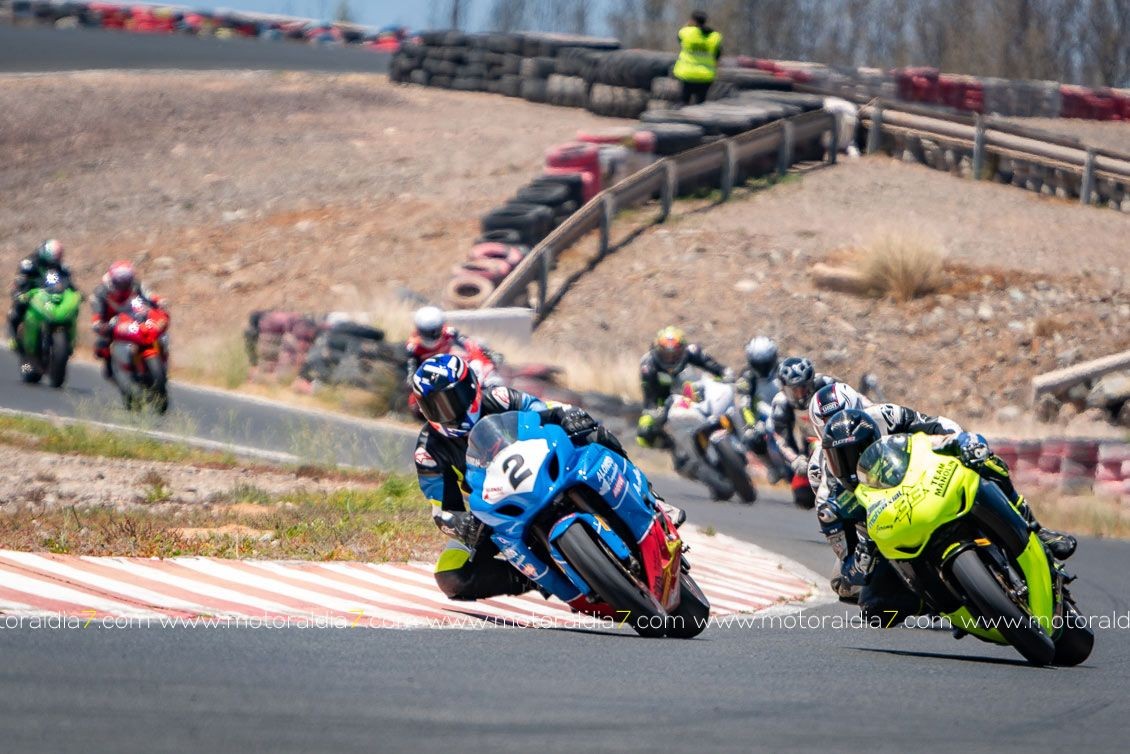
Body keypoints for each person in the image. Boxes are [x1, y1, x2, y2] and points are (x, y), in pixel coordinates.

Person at [412, 354, 678, 602]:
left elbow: (541, 409)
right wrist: (461, 525)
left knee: (592, 431)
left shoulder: (499, 398)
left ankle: (651, 497)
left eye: (452, 399)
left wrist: (566, 416)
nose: (446, 412)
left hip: (545, 465)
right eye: (434, 406)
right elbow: (442, 509)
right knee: (450, 574)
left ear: (471, 388)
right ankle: (536, 577)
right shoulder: (429, 451)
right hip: (498, 510)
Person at [817, 409, 1077, 621]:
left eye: (857, 452)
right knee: (876, 610)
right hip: (892, 545)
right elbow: (848, 572)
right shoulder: (832, 505)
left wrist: (961, 442)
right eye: (840, 458)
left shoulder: (892, 432)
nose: (851, 464)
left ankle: (1035, 528)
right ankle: (936, 603)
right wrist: (862, 556)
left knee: (985, 462)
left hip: (926, 495)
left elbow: (933, 431)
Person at [767, 356, 837, 507]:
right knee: (803, 498)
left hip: (839, 437)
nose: (800, 395)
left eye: (803, 388)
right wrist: (796, 460)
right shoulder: (780, 404)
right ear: (784, 389)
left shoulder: (827, 385)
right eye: (794, 390)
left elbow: (856, 399)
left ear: (811, 383)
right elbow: (781, 439)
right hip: (810, 447)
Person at [90, 260, 161, 379]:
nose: (124, 285)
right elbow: (96, 308)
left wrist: (158, 301)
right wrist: (98, 322)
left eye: (127, 281)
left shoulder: (136, 285)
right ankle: (110, 364)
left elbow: (148, 295)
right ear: (113, 279)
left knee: (153, 329)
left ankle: (153, 359)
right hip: (110, 321)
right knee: (101, 346)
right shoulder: (102, 290)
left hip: (133, 317)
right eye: (121, 282)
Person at [8, 240, 74, 354]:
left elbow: (69, 283)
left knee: (69, 311)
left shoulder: (61, 267)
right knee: (18, 307)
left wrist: (75, 292)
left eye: (59, 256)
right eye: (56, 256)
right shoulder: (29, 264)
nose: (57, 259)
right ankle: (13, 337)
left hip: (51, 295)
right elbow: (21, 280)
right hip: (31, 293)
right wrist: (21, 292)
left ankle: (69, 342)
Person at [733, 336, 785, 476]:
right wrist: (751, 426)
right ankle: (771, 466)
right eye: (758, 364)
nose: (762, 368)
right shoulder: (746, 377)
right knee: (751, 438)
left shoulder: (784, 368)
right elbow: (744, 405)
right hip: (763, 416)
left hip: (788, 409)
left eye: (765, 363)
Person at [404, 305, 501, 378]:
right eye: (428, 332)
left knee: (480, 342)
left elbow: (469, 344)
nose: (434, 335)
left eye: (437, 330)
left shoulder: (449, 332)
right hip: (433, 376)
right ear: (419, 331)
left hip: (452, 363)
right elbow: (412, 372)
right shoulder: (413, 347)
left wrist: (488, 355)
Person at [673, 10, 722, 106]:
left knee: (683, 102)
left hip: (687, 75)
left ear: (692, 20)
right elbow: (717, 55)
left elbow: (679, 39)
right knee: (701, 105)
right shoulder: (714, 36)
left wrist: (688, 25)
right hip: (706, 76)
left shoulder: (686, 32)